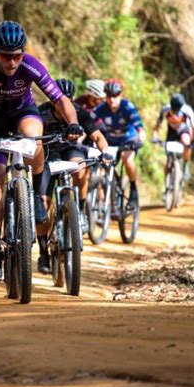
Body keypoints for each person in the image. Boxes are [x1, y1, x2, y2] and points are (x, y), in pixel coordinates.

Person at [0, 20, 81, 282]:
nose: (12, 62)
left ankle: (35, 195)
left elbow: (60, 100)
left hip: (23, 112)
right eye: (6, 57)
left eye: (17, 56)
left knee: (34, 137)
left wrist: (73, 123)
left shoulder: (31, 65)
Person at [37, 78, 111, 274]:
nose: (64, 105)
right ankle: (43, 252)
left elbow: (97, 136)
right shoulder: (41, 112)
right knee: (42, 203)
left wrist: (105, 152)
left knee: (80, 169)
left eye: (68, 100)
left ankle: (79, 209)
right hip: (48, 154)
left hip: (71, 150)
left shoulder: (79, 112)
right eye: (60, 100)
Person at [93, 79, 146, 205]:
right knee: (100, 168)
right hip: (110, 141)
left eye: (115, 96)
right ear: (105, 96)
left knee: (127, 159)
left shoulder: (127, 107)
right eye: (109, 96)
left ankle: (133, 189)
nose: (112, 100)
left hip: (128, 139)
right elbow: (88, 124)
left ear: (121, 95)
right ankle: (100, 202)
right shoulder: (101, 109)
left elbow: (139, 126)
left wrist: (141, 139)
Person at [152, 93, 194, 179]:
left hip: (184, 130)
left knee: (186, 142)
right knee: (168, 159)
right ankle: (167, 184)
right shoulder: (165, 109)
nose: (175, 111)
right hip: (172, 132)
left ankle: (186, 165)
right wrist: (154, 137)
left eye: (177, 109)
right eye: (174, 109)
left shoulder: (187, 110)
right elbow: (157, 126)